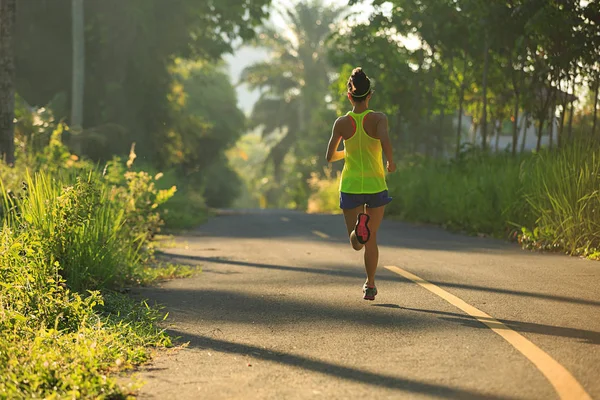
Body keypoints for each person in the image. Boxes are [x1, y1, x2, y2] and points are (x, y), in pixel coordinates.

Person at [325, 67, 396, 301]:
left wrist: (347, 152)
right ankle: (370, 285)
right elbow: (385, 140)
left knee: (357, 242)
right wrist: (391, 162)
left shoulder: (342, 123)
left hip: (352, 186)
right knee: (372, 239)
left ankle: (359, 229)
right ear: (369, 95)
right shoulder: (378, 119)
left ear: (349, 95)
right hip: (376, 185)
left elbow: (329, 156)